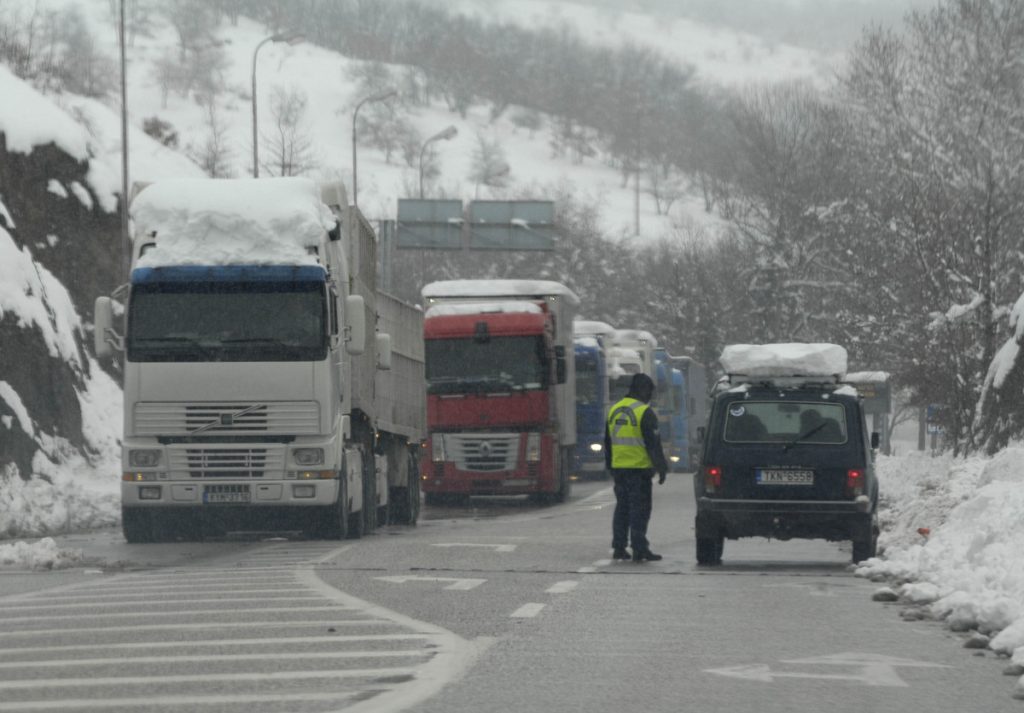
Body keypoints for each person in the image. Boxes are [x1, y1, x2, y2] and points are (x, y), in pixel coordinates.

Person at [604, 373, 669, 562]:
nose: (650, 397)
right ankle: (640, 549)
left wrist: (611, 466)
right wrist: (661, 468)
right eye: (650, 392)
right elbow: (653, 444)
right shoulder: (644, 412)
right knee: (639, 511)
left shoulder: (614, 410)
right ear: (642, 390)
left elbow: (607, 442)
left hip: (619, 470)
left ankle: (619, 547)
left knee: (622, 509)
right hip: (639, 471)